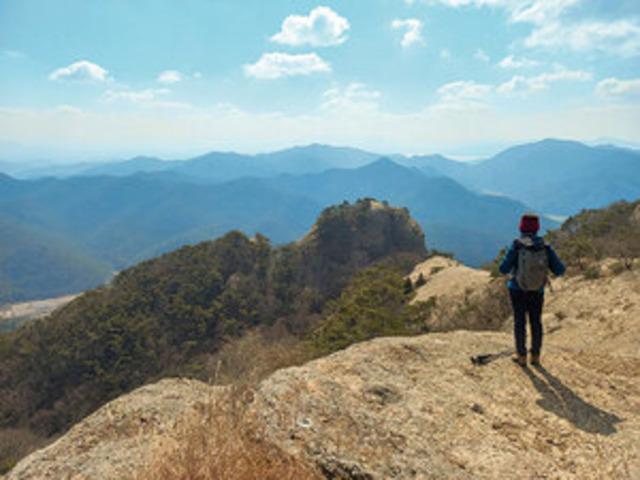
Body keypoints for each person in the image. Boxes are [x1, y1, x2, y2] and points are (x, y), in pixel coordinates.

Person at [499, 213, 565, 367]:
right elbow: (560, 270)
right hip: (537, 290)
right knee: (536, 322)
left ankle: (521, 356)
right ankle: (535, 356)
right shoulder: (545, 246)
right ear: (537, 228)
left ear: (521, 227)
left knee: (519, 322)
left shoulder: (516, 245)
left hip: (517, 289)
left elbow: (503, 269)